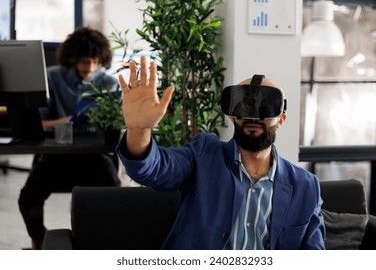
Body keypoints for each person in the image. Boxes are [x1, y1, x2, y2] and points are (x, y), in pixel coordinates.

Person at [116, 56, 325, 250]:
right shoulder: (203, 155)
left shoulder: (305, 187)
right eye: (243, 106)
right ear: (233, 117)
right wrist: (139, 130)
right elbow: (154, 168)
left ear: (280, 120)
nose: (253, 117)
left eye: (265, 108)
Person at [18, 27, 120, 250]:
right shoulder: (53, 77)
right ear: (73, 59)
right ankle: (40, 238)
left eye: (95, 62)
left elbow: (116, 127)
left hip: (94, 157)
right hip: (58, 156)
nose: (90, 68)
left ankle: (100, 245)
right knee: (27, 198)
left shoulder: (110, 83)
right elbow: (39, 124)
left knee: (114, 192)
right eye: (84, 62)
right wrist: (67, 121)